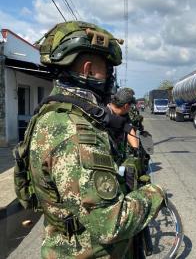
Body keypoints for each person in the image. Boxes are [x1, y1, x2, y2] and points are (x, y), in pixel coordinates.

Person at [29, 21, 164, 258]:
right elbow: (109, 224)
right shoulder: (74, 130)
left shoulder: (52, 112)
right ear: (89, 70)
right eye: (108, 68)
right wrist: (155, 194)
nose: (111, 77)